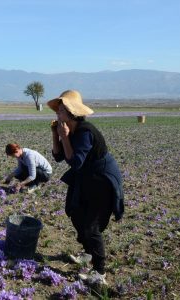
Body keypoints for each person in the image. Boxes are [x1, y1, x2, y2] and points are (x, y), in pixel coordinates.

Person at [47, 90, 124, 285]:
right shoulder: (70, 130)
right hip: (86, 178)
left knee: (91, 226)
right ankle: (89, 254)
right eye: (58, 110)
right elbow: (58, 157)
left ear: (71, 112)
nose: (58, 113)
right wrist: (56, 135)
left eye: (61, 110)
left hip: (101, 180)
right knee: (76, 213)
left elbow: (76, 162)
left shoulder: (84, 132)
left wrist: (64, 137)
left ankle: (100, 271)